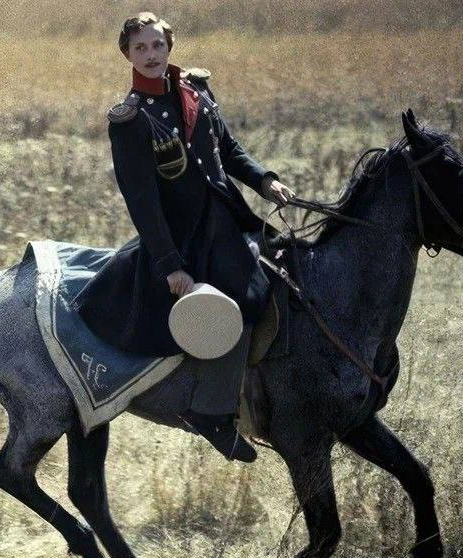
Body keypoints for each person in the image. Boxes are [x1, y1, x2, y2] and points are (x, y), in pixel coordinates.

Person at [71, 12, 298, 462]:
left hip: (226, 219)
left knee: (291, 266)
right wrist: (170, 265)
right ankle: (212, 411)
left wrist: (265, 181)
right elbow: (142, 201)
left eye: (157, 45)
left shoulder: (197, 90)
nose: (151, 55)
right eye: (140, 48)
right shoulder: (130, 120)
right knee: (241, 299)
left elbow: (227, 150)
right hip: (183, 239)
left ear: (169, 47)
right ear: (127, 54)